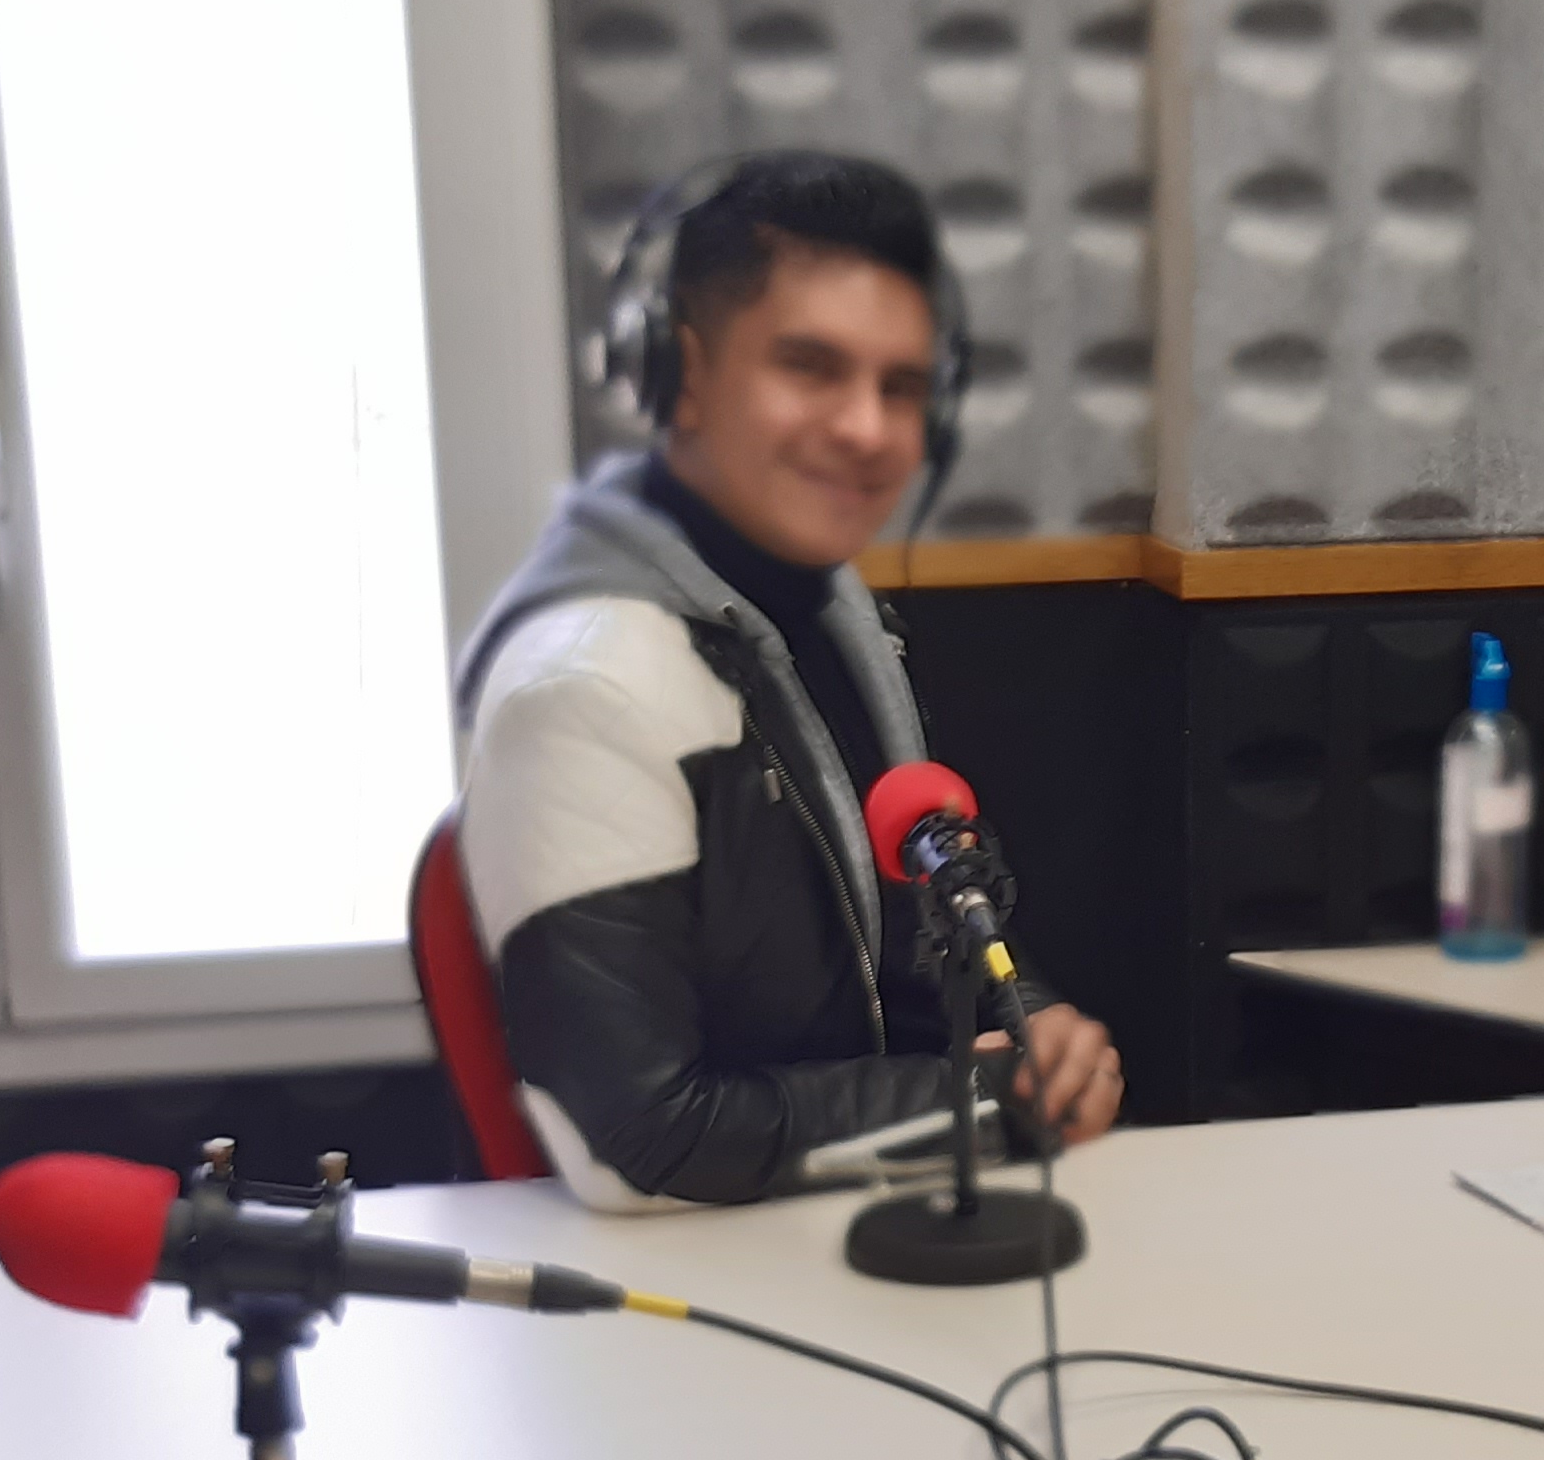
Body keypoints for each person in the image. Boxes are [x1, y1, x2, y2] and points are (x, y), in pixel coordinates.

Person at [456, 151, 1123, 1209]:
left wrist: (1031, 1027)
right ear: (682, 374)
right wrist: (984, 1101)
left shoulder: (836, 622)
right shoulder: (583, 691)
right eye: (811, 368)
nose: (867, 429)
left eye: (901, 387)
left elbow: (932, 930)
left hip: (852, 1225)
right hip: (692, 1286)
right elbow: (640, 1143)